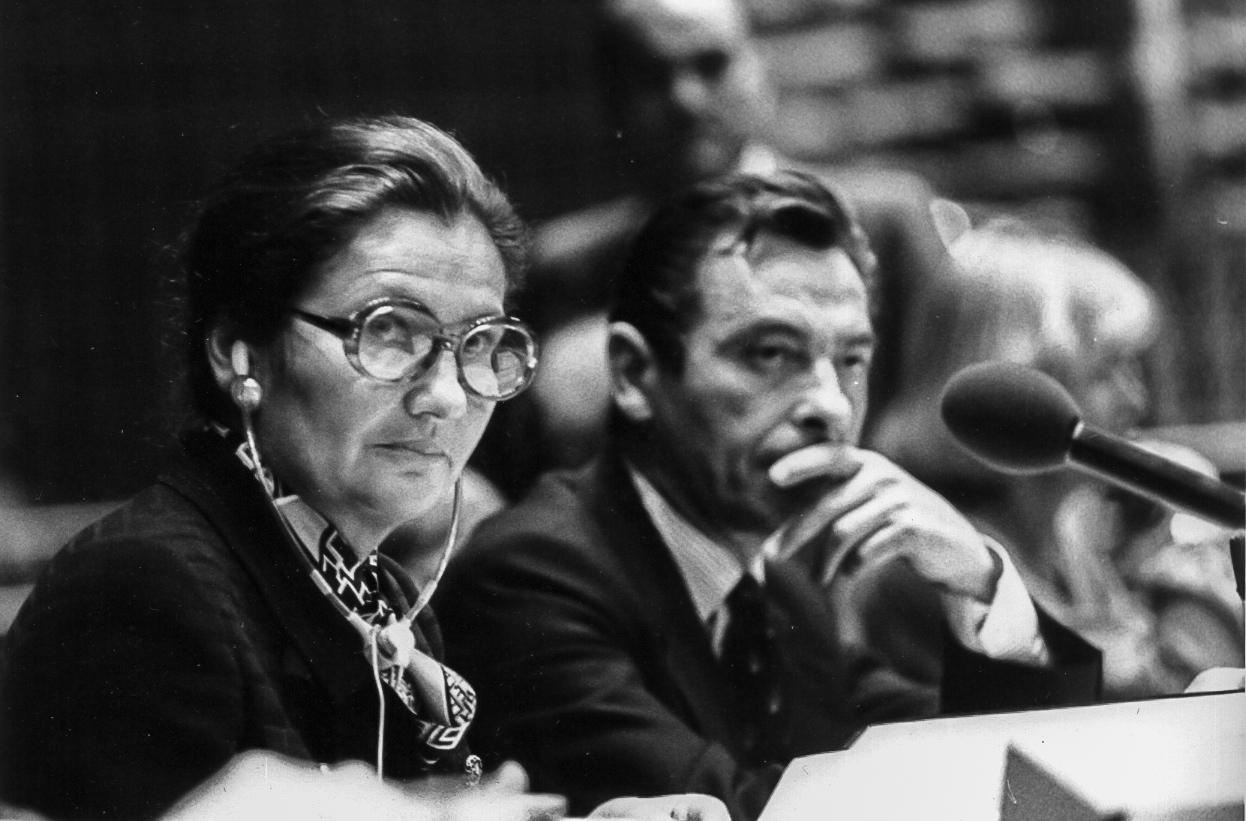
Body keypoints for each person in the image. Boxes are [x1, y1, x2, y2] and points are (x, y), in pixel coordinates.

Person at [0, 115, 727, 821]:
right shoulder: (146, 590)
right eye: (388, 332)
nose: (445, 396)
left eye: (480, 343)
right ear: (237, 351)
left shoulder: (376, 595)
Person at [435, 171, 1102, 821]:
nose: (829, 404)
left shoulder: (784, 594)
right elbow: (738, 814)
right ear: (634, 372)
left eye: (850, 360)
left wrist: (980, 581)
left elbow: (1024, 769)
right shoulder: (532, 576)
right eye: (771, 354)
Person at [473, 0, 951, 498]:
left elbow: (941, 424)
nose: (685, 98)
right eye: (651, 75)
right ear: (610, 98)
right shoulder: (566, 267)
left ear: (761, 68)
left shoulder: (885, 223)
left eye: (712, 64)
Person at [869, 212, 1245, 698]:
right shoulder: (942, 565)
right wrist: (1186, 546)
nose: (1138, 401)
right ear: (1022, 391)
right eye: (1109, 370)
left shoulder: (1070, 537)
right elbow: (1151, 705)